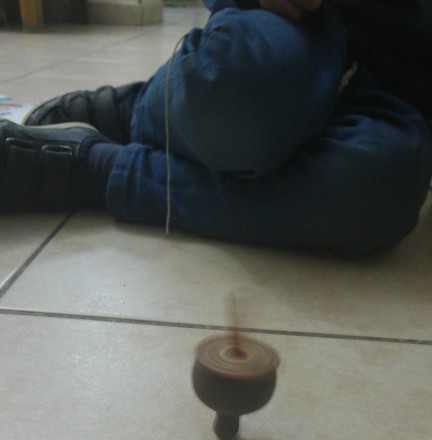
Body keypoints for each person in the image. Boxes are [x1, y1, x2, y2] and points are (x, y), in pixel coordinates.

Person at [0, 0, 431, 257]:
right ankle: (138, 109)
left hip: (398, 87)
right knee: (235, 90)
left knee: (381, 191)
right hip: (300, 25)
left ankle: (94, 169)